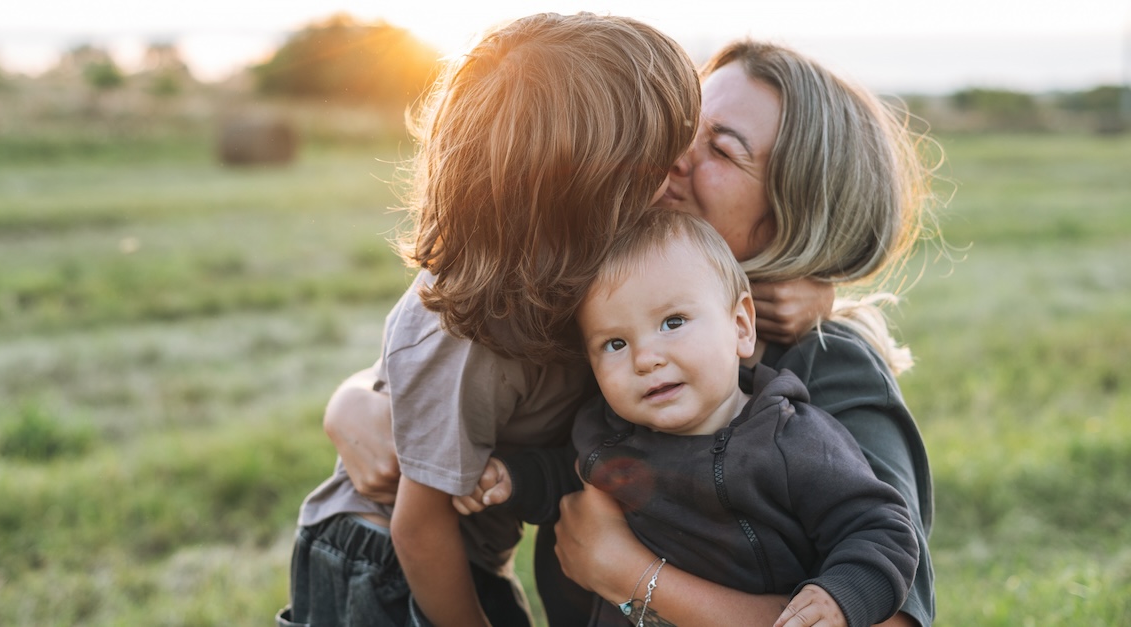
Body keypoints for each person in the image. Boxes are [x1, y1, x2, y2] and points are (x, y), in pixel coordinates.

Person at [322, 38, 938, 627]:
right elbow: (463, 355)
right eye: (682, 130)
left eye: (721, 150)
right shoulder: (615, 301)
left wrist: (631, 575)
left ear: (800, 211)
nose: (671, 157)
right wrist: (359, 399)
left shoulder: (829, 363)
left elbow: (886, 608)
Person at [276, 12, 701, 627]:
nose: (680, 169)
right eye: (659, 159)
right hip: (383, 557)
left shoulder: (580, 273)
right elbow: (418, 527)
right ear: (587, 188)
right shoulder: (475, 331)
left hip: (458, 554)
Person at [452, 210, 919, 627]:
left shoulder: (792, 439)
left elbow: (880, 527)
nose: (645, 359)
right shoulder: (608, 433)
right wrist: (513, 480)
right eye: (615, 343)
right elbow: (567, 477)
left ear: (740, 326)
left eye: (673, 322)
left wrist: (840, 596)